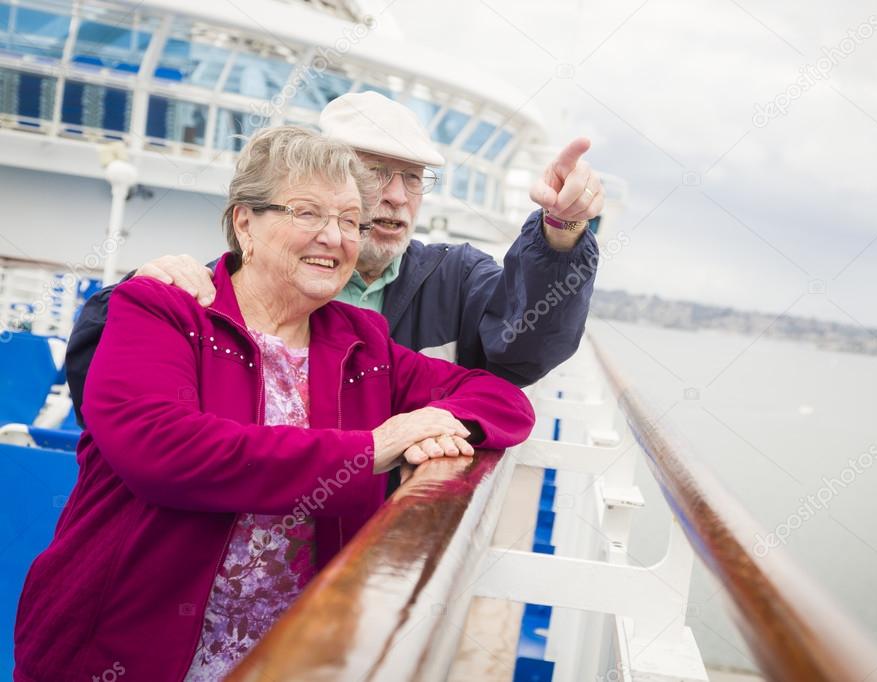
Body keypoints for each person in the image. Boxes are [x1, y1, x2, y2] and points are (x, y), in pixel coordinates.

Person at [14, 127, 535, 681]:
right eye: (307, 213)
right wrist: (372, 450)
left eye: (350, 221)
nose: (334, 237)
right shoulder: (165, 311)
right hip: (123, 652)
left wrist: (438, 424)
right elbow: (162, 453)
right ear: (245, 222)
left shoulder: (362, 343)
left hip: (296, 657)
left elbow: (505, 401)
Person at [66, 92, 604, 425]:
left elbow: (521, 356)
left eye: (413, 178)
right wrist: (131, 298)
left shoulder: (456, 278)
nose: (396, 195)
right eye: (375, 173)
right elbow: (111, 397)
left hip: (384, 547)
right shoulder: (219, 290)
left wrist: (561, 233)